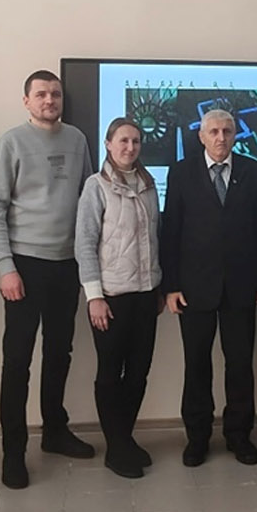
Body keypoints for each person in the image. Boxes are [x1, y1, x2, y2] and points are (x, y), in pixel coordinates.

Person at [0, 70, 96, 489]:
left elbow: (88, 198)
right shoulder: (12, 141)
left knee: (59, 353)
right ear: (27, 101)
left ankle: (54, 431)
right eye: (42, 94)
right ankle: (13, 452)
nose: (50, 100)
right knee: (17, 361)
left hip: (67, 264)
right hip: (24, 265)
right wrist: (6, 267)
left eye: (56, 94)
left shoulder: (77, 139)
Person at [161, 109, 257, 467]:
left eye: (227, 131)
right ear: (201, 135)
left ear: (234, 135)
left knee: (240, 365)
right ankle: (197, 438)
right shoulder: (181, 172)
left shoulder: (252, 170)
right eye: (213, 131)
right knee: (196, 365)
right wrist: (171, 286)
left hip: (242, 287)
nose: (221, 137)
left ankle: (239, 435)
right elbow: (171, 231)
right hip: (193, 288)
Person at [74, 118, 162, 478]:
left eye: (136, 141)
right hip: (110, 296)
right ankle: (116, 447)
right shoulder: (95, 186)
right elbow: (84, 243)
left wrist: (158, 285)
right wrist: (94, 296)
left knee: (139, 372)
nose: (130, 147)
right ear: (109, 144)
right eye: (123, 141)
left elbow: (155, 236)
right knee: (111, 373)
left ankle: (124, 437)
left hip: (146, 294)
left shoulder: (149, 184)